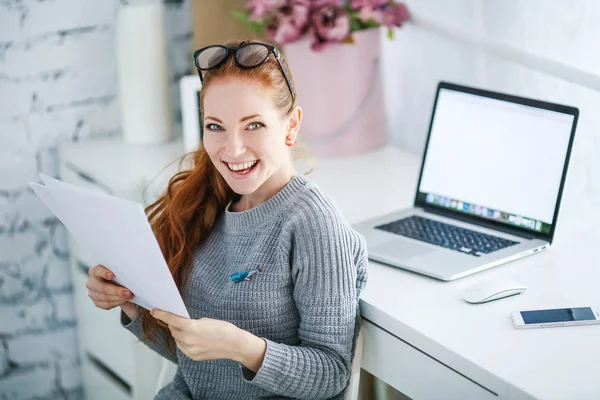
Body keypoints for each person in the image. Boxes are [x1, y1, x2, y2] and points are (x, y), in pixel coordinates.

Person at [84, 40, 368, 399]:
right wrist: (126, 300)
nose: (232, 149)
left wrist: (244, 349)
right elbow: (198, 363)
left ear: (291, 126)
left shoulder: (313, 224)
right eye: (215, 127)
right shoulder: (207, 204)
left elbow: (331, 374)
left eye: (253, 126)